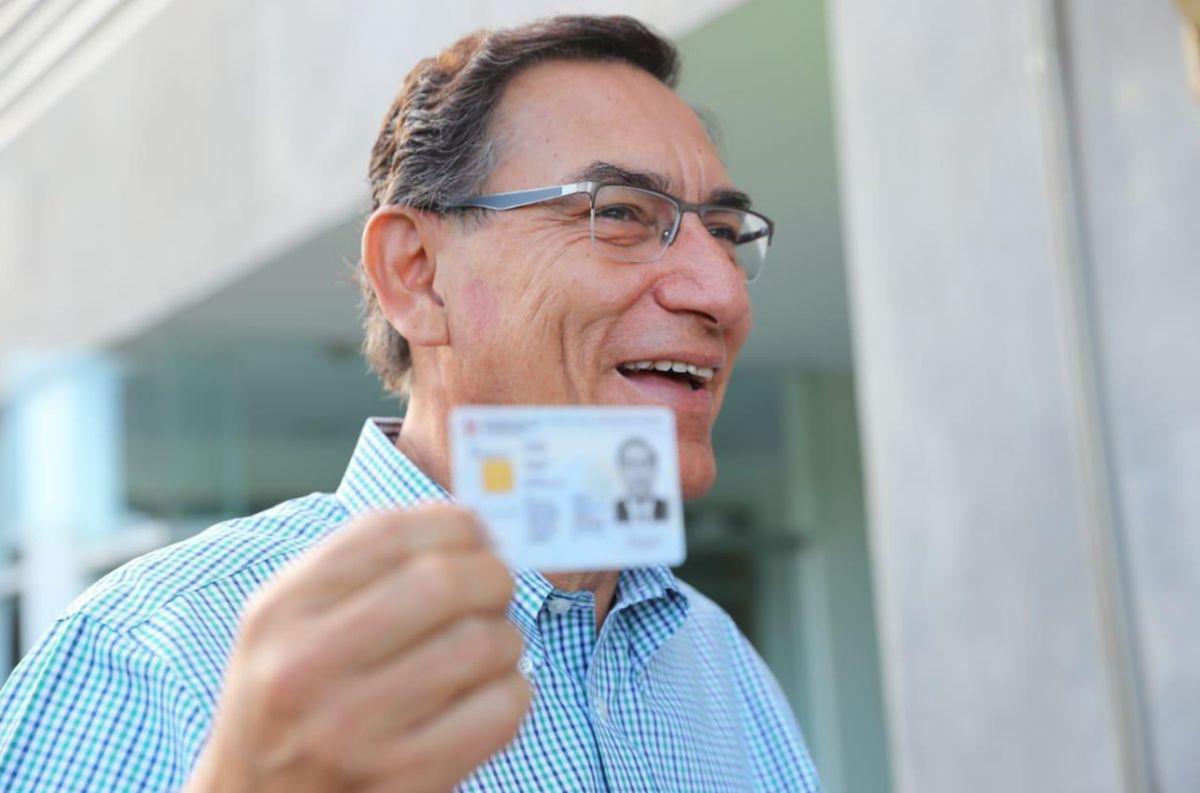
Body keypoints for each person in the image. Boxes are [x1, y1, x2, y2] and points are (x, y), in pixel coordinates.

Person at [0, 15, 820, 792]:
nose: (721, 291)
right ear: (417, 275)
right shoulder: (150, 652)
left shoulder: (725, 667)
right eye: (620, 215)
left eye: (721, 229)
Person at [615, 436, 669, 522]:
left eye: (644, 464)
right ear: (621, 470)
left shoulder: (669, 508)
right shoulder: (612, 510)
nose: (638, 472)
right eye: (631, 465)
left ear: (654, 468)